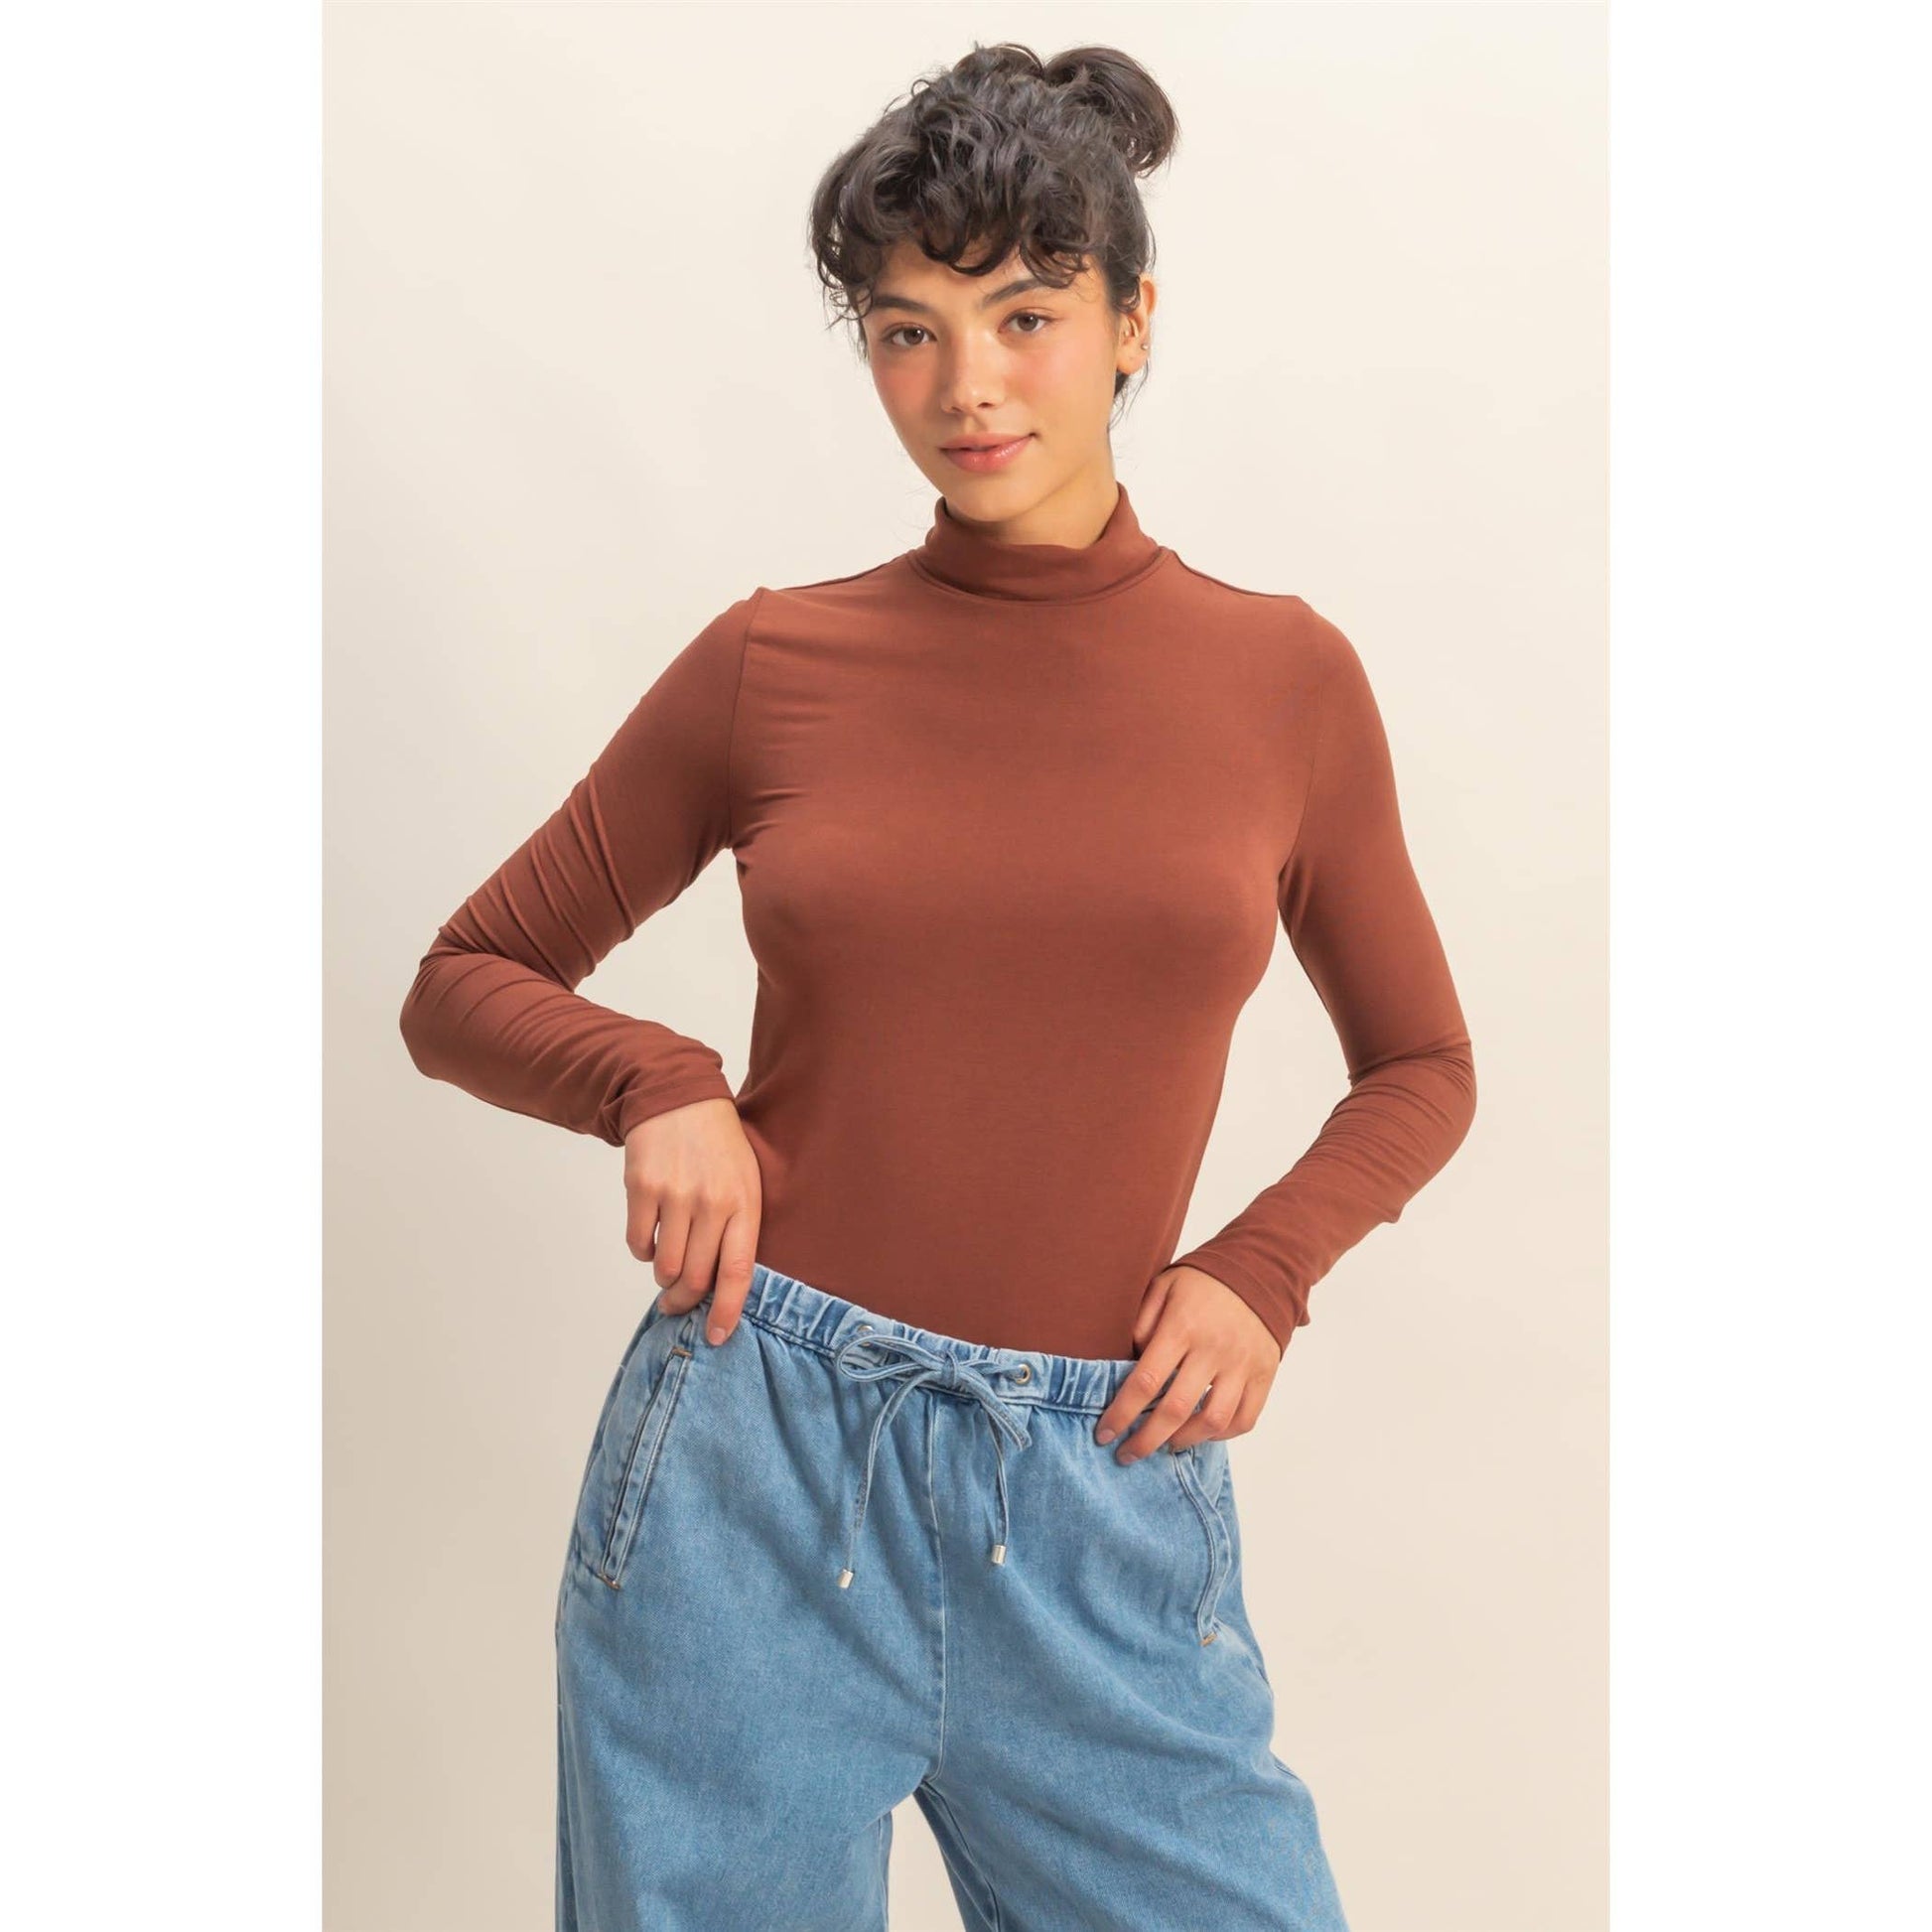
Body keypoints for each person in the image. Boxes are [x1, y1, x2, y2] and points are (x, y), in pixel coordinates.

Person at [399, 40, 1475, 1932]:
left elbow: (1422, 1062)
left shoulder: (1281, 682)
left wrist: (1262, 1267)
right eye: (907, 333)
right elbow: (463, 978)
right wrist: (657, 1076)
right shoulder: (774, 663)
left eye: (1026, 318)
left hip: (1099, 1486)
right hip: (751, 1468)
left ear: (1132, 322)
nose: (966, 387)